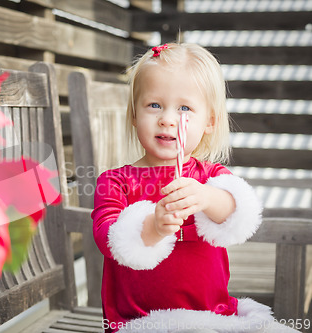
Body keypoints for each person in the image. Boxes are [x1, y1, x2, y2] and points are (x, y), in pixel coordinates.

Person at [91, 43, 297, 333]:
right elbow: (106, 237)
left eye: (184, 108)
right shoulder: (115, 181)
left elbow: (236, 211)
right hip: (140, 321)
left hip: (214, 314)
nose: (168, 118)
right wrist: (152, 228)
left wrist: (208, 197)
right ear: (134, 115)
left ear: (209, 121)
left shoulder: (212, 177)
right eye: (154, 105)